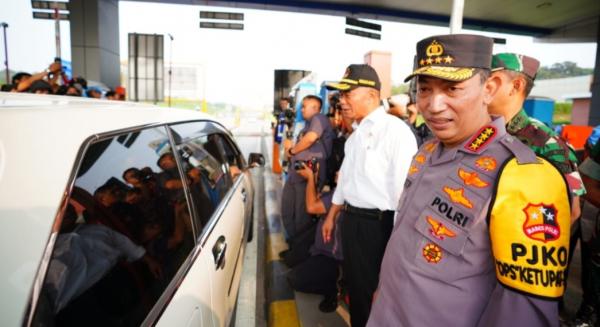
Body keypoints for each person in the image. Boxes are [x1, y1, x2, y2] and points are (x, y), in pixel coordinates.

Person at [367, 34, 571, 327]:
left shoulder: (523, 175)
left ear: (489, 89)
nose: (434, 105)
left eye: (452, 88)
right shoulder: (425, 152)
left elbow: (523, 313)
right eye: (424, 89)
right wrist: (384, 292)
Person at [322, 64, 417, 326]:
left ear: (372, 95)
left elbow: (403, 194)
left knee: (376, 294)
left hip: (379, 226)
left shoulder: (395, 132)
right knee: (357, 289)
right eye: (340, 95)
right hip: (352, 222)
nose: (341, 101)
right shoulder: (355, 136)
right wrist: (332, 215)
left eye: (347, 94)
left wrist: (398, 244)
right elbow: (346, 183)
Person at [488, 52, 585, 223]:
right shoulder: (475, 131)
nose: (480, 87)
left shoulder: (548, 143)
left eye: (490, 80)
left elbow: (570, 211)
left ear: (516, 86)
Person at [288, 162, 343, 313]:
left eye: (342, 170)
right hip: (318, 246)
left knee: (294, 279)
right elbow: (316, 203)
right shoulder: (335, 191)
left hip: (330, 255)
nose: (337, 172)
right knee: (291, 258)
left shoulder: (342, 196)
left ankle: (333, 286)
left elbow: (312, 207)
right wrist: (315, 177)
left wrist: (311, 178)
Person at [281, 95, 334, 241]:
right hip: (295, 174)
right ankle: (294, 244)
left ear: (316, 108)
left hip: (308, 176)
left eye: (305, 106)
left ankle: (301, 250)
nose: (301, 109)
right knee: (287, 211)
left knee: (301, 216)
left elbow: (310, 138)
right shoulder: (306, 125)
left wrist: (292, 151)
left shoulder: (319, 118)